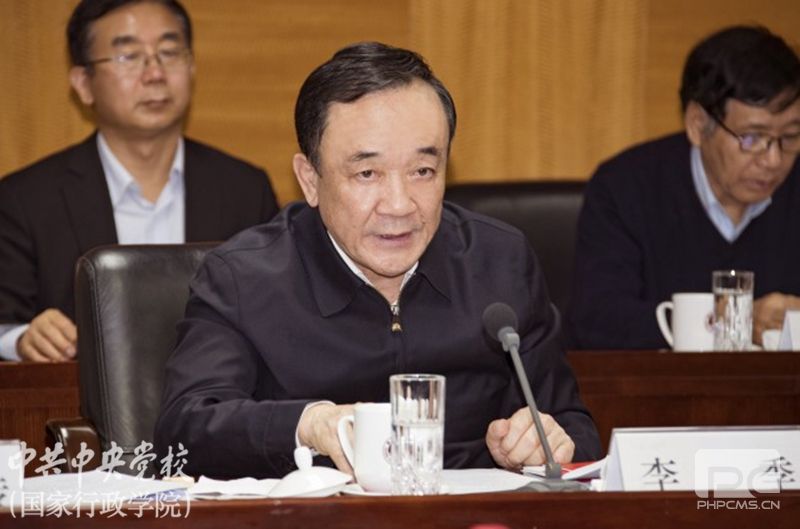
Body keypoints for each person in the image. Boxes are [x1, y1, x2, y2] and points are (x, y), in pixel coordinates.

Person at [155, 42, 601, 479]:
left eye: (423, 171)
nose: (400, 205)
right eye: (367, 173)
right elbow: (186, 430)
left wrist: (544, 442)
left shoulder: (500, 261)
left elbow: (574, 428)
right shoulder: (243, 278)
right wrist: (307, 425)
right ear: (310, 180)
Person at [0, 0, 279, 362]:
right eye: (129, 56)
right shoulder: (26, 200)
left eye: (169, 52)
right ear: (83, 84)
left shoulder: (245, 190)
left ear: (191, 67)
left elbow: (278, 315)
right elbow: (4, 321)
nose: (155, 74)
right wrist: (23, 339)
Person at [567, 26, 800, 349]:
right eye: (752, 138)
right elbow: (597, 320)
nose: (773, 160)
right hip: (654, 382)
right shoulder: (625, 187)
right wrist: (732, 320)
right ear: (697, 124)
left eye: (789, 136)